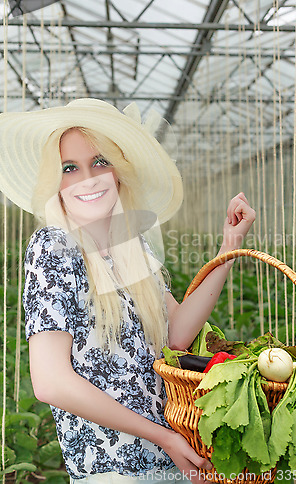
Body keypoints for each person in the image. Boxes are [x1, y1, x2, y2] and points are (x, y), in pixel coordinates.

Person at [0, 99, 255, 483]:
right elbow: (50, 381)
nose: (88, 178)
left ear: (119, 173)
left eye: (100, 162)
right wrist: (162, 436)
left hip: (170, 460)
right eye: (70, 168)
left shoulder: (133, 248)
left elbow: (176, 333)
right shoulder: (53, 246)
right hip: (110, 467)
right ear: (56, 182)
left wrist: (229, 247)